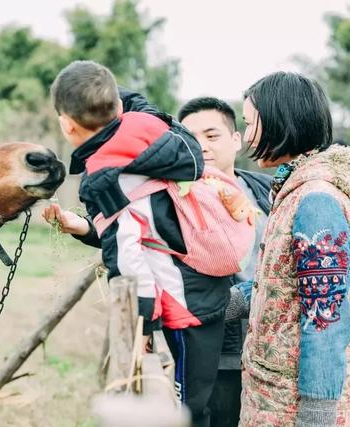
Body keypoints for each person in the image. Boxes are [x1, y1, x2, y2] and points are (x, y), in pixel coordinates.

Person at [44, 60, 247, 427]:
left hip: (183, 304)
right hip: (211, 283)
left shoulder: (103, 179)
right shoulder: (154, 130)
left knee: (186, 409)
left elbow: (125, 254)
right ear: (120, 107)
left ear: (67, 124)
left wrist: (143, 324)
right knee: (201, 400)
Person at [237, 71, 350, 426]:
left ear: (278, 122)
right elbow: (288, 285)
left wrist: (317, 416)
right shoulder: (293, 188)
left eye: (249, 124)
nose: (245, 138)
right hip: (273, 398)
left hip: (291, 408)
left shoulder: (316, 199)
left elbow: (325, 318)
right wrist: (233, 301)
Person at [178, 97, 271, 427]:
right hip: (215, 356)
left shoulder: (270, 190)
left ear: (236, 140)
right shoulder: (176, 197)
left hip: (269, 350)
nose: (201, 146)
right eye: (191, 137)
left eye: (212, 135)